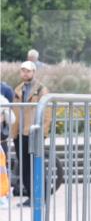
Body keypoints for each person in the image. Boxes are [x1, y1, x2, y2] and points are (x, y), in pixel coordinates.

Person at [11, 62, 52, 204]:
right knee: (24, 167)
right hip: (20, 134)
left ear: (34, 72)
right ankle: (33, 197)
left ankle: (42, 196)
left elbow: (47, 113)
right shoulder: (18, 89)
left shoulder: (41, 89)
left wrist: (43, 133)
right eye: (22, 71)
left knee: (37, 166)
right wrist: (13, 133)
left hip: (34, 132)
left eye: (28, 71)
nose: (25, 73)